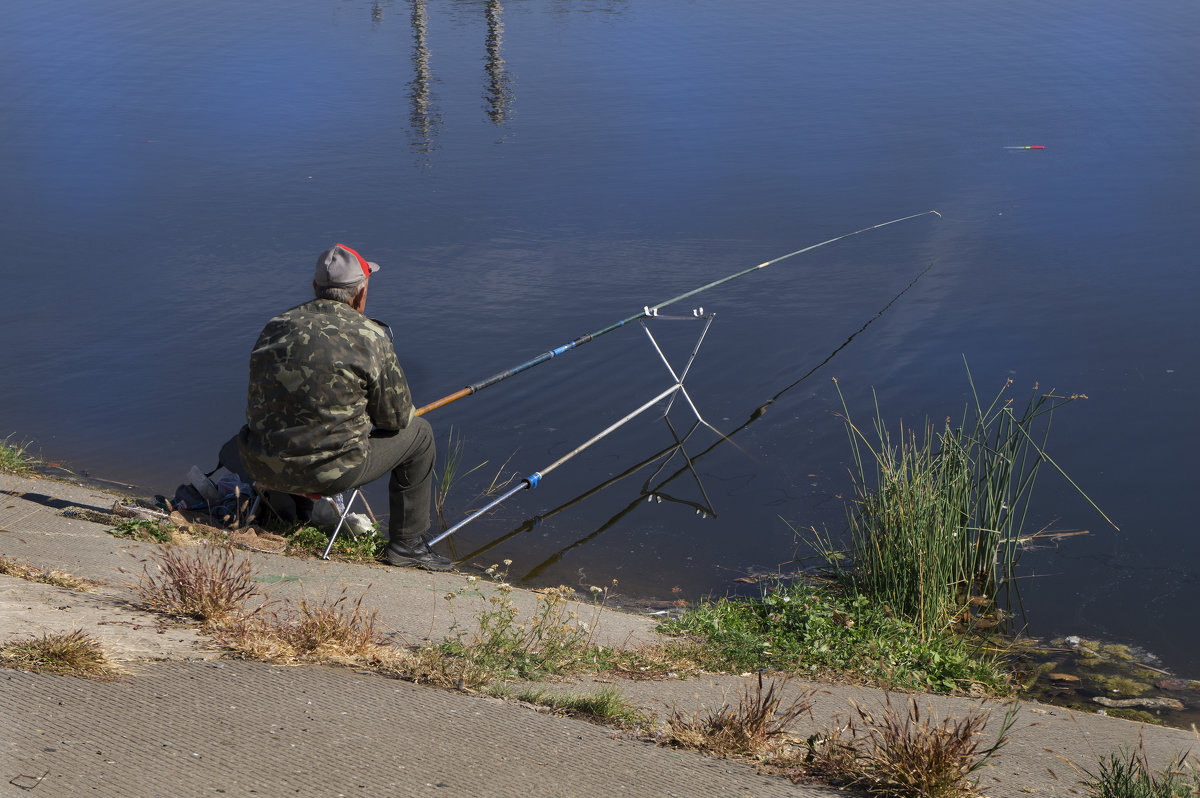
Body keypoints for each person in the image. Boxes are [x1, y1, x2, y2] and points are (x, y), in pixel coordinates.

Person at [233, 244, 451, 571]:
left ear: (315, 289)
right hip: (329, 474)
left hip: (259, 464)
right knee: (420, 434)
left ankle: (278, 510)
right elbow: (395, 419)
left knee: (285, 426)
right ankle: (407, 545)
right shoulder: (370, 335)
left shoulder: (274, 326)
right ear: (360, 295)